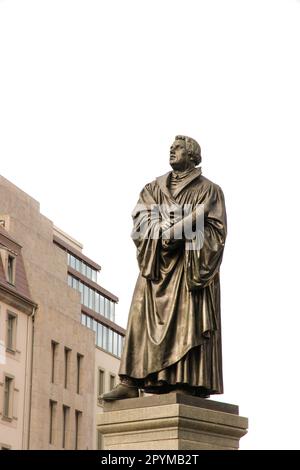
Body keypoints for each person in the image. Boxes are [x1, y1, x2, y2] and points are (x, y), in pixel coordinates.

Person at [102, 135, 227, 400]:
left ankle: (183, 377)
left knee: (186, 318)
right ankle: (130, 380)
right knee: (138, 315)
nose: (172, 150)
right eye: (171, 147)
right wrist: (164, 232)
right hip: (156, 265)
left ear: (192, 155)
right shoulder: (153, 188)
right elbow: (140, 223)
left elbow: (216, 232)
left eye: (178, 148)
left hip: (188, 268)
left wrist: (182, 231)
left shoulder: (209, 190)